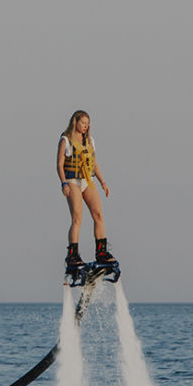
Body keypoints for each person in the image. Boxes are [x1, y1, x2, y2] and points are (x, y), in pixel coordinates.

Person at [57, 109, 117, 269]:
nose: (85, 126)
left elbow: (94, 163)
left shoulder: (89, 140)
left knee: (98, 214)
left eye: (87, 123)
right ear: (75, 122)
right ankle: (73, 255)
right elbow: (59, 164)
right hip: (72, 181)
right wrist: (63, 183)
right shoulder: (66, 140)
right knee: (77, 217)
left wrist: (103, 182)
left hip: (87, 180)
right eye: (83, 123)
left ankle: (101, 252)